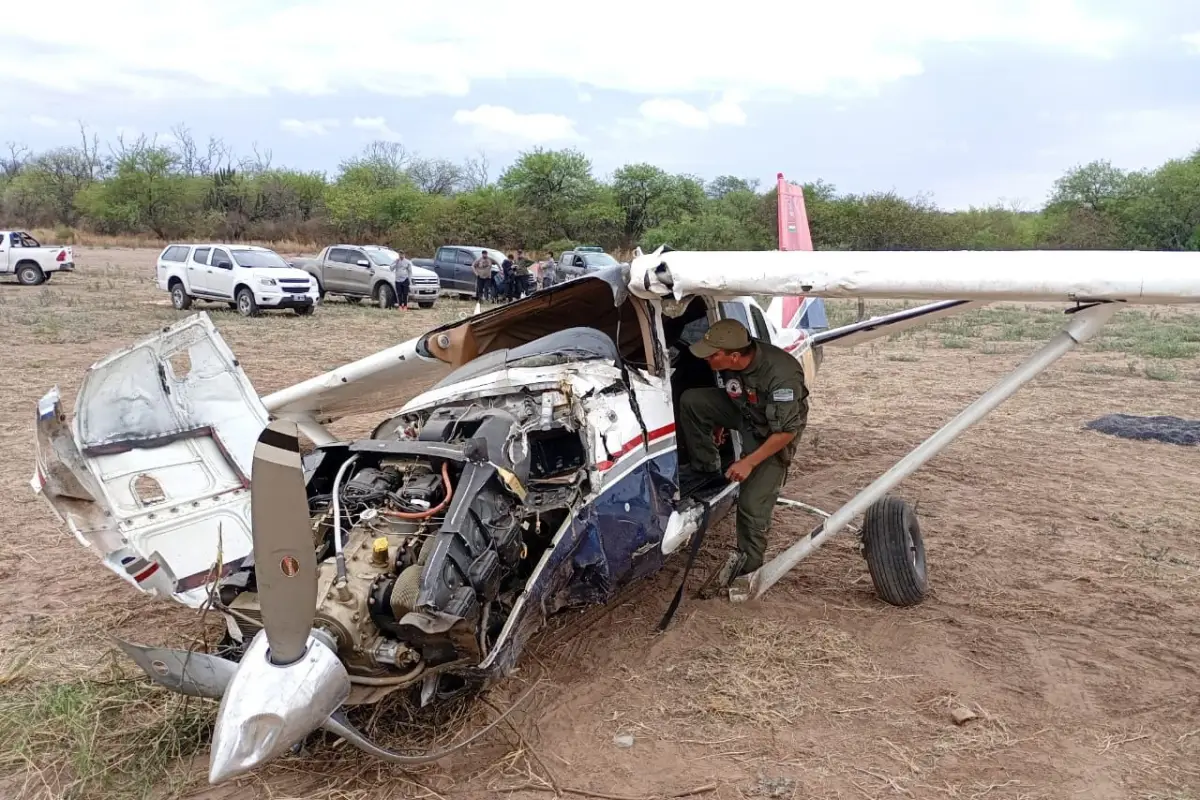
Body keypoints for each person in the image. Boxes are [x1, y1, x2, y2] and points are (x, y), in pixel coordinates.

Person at [678, 318, 809, 581]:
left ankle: (748, 571)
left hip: (773, 433)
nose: (707, 359)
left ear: (734, 356)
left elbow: (786, 432)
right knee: (692, 401)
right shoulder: (732, 362)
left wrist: (748, 462)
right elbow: (734, 393)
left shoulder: (782, 374)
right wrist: (716, 421)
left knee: (751, 505)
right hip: (745, 411)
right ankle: (706, 467)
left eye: (712, 355)